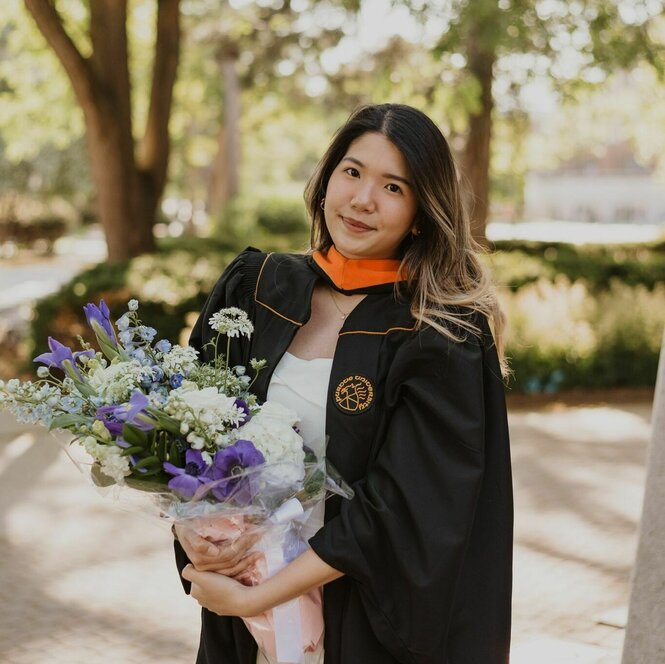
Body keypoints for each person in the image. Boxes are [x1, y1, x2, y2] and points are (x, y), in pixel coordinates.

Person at [173, 103, 513, 664]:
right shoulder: (258, 288)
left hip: (357, 628)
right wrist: (195, 533)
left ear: (422, 213)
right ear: (327, 177)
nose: (362, 200)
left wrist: (252, 596)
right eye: (352, 172)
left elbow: (397, 513)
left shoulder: (437, 334)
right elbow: (190, 434)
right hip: (248, 621)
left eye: (393, 187)